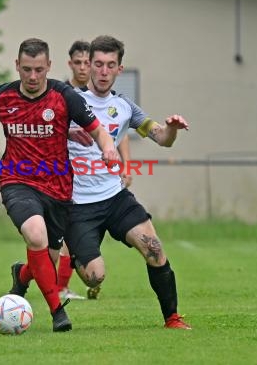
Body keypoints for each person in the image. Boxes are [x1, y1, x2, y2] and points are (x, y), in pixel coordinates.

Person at [0, 38, 118, 332]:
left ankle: (22, 275)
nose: (33, 77)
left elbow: (98, 130)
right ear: (17, 66)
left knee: (47, 260)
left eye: (39, 70)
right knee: (35, 233)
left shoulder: (65, 97)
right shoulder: (2, 96)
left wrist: (108, 148)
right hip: (17, 180)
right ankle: (57, 313)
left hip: (58, 188)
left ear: (49, 66)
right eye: (26, 70)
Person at [65, 35, 192, 329]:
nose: (103, 71)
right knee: (94, 277)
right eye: (98, 64)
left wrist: (171, 129)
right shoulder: (70, 102)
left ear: (119, 69)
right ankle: (73, 252)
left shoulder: (124, 107)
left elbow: (161, 138)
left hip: (115, 197)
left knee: (155, 248)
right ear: (89, 66)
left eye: (111, 65)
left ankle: (172, 318)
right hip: (78, 203)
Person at [57, 40, 132, 301]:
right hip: (69, 184)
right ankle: (55, 284)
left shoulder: (112, 102)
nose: (82, 67)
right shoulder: (66, 95)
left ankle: (65, 282)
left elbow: (117, 132)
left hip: (102, 184)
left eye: (85, 62)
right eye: (78, 63)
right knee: (53, 240)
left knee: (68, 244)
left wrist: (126, 164)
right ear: (72, 65)